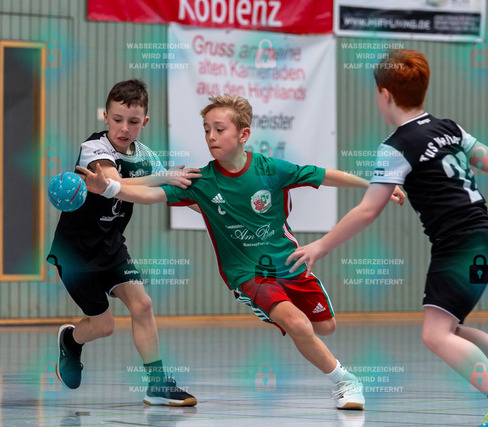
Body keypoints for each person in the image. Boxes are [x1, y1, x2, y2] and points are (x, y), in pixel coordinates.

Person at [286, 50, 488, 426]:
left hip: (459, 245)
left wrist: (320, 245)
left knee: (436, 335)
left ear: (384, 95)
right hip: (484, 237)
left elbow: (368, 210)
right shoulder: (449, 128)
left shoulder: (396, 146)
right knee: (448, 330)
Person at [76, 94, 406, 410]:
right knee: (297, 324)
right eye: (207, 130)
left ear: (243, 134)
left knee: (325, 327)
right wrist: (109, 188)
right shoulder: (202, 181)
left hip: (290, 265)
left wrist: (374, 187)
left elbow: (325, 175)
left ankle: (291, 323)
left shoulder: (270, 169)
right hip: (248, 275)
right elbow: (150, 196)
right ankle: (346, 382)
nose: (211, 136)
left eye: (219, 129)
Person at [47, 79, 200, 406]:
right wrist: (164, 177)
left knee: (143, 305)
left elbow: (173, 192)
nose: (124, 128)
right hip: (75, 252)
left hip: (112, 245)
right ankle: (71, 341)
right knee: (104, 326)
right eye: (117, 119)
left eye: (133, 121)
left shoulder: (145, 157)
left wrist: (218, 210)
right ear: (106, 117)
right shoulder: (95, 148)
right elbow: (115, 183)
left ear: (145, 122)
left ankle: (157, 385)